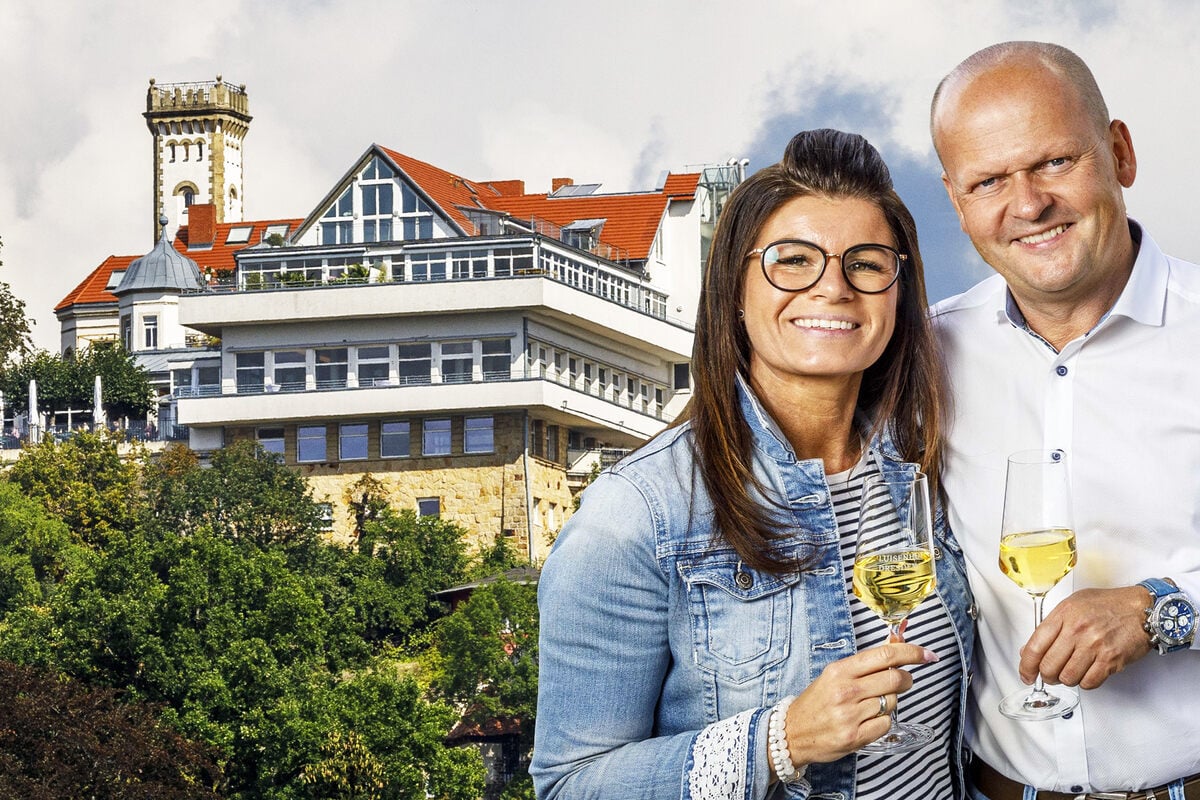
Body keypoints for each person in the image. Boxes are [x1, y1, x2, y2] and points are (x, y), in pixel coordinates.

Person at [532, 129, 975, 800]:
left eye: (866, 262)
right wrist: (782, 740)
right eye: (793, 261)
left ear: (898, 291)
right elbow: (569, 785)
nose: (834, 287)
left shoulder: (929, 466)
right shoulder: (637, 513)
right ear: (734, 289)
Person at [930, 41, 1200, 800]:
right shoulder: (921, 353)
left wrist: (1163, 609)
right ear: (957, 204)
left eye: (1052, 162)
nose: (1027, 204)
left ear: (1119, 153)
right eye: (988, 180)